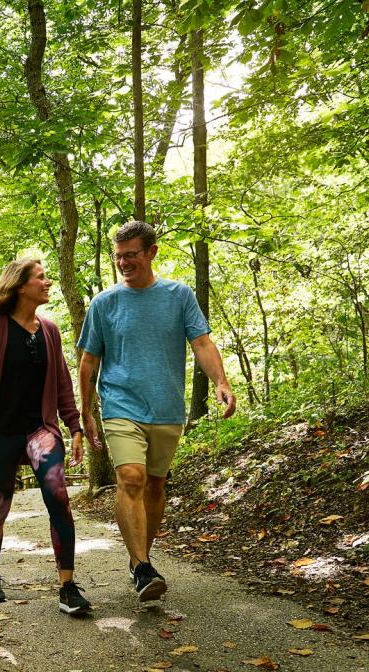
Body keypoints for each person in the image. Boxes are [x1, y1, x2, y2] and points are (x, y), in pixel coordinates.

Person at [77, 220, 236, 602]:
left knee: (155, 485)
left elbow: (201, 342)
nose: (123, 262)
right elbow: (88, 361)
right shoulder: (105, 303)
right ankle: (144, 565)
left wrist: (222, 382)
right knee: (131, 477)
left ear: (151, 252)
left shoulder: (178, 296)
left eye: (131, 254)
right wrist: (86, 412)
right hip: (120, 404)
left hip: (166, 407)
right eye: (118, 256)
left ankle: (138, 562)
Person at [0, 258, 91, 615]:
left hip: (40, 430)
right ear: (21, 286)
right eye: (41, 278)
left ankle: (67, 586)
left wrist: (74, 426)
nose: (47, 282)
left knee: (58, 495)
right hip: (1, 432)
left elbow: (63, 385)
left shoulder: (49, 330)